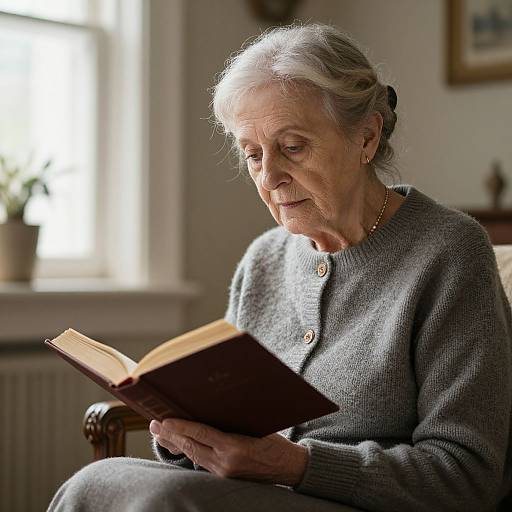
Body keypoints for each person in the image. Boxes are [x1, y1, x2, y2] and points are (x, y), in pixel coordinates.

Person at [48, 23, 512, 512]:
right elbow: (230, 430)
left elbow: (466, 476)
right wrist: (186, 435)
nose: (269, 177)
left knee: (164, 498)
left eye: (292, 147)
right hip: (250, 495)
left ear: (367, 137)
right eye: (252, 154)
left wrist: (295, 465)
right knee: (97, 482)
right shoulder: (264, 259)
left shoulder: (450, 252)